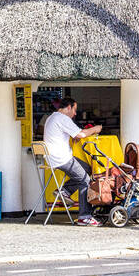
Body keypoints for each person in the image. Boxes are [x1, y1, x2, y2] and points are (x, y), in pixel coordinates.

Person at [42, 97, 103, 227]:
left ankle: (65, 191)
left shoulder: (52, 117)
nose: (75, 113)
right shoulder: (62, 118)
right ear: (68, 107)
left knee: (87, 168)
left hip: (53, 158)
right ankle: (84, 217)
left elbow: (73, 134)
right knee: (85, 180)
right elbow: (81, 134)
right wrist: (96, 129)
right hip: (61, 158)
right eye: (74, 110)